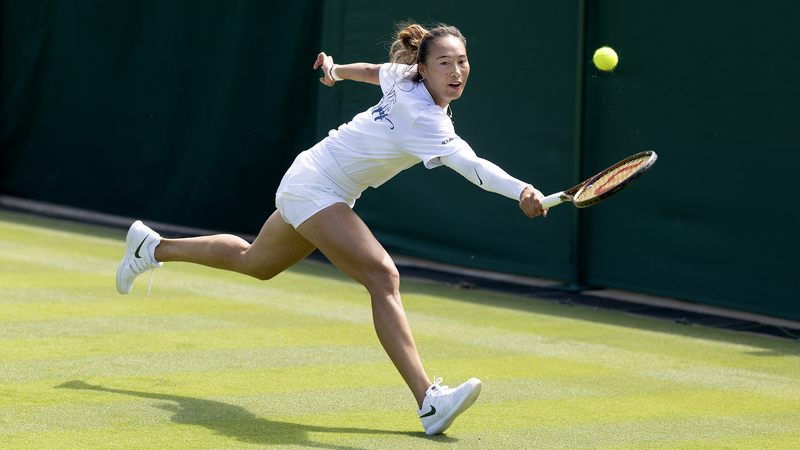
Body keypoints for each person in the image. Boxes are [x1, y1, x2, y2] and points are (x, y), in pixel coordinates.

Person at [116, 22, 546, 435]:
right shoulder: (426, 117)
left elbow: (372, 71)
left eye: (462, 62)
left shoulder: (405, 79)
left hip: (317, 180)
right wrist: (522, 189)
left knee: (255, 262)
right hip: (316, 185)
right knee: (383, 276)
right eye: (444, 63)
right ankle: (429, 400)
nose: (456, 72)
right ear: (424, 67)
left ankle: (152, 248)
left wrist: (334, 71)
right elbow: (472, 166)